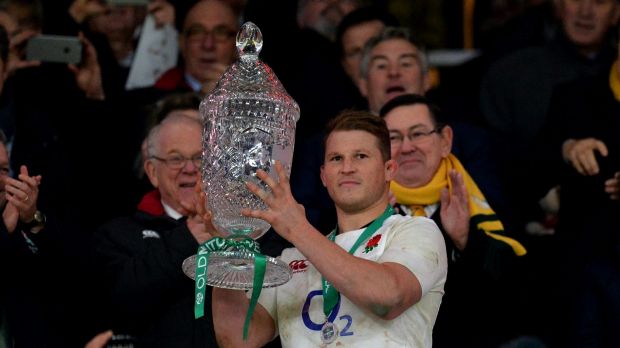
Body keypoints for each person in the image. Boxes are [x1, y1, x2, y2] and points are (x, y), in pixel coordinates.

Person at [212, 110, 448, 347]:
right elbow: (238, 339)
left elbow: (389, 297)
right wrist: (225, 247)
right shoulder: (291, 259)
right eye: (336, 158)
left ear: (389, 170)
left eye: (361, 156)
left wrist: (297, 228)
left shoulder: (416, 231)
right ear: (324, 176)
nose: (347, 168)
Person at [379, 93, 527, 347]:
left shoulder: (477, 197)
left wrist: (465, 239)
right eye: (393, 138)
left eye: (417, 134)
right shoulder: (363, 204)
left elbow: (517, 292)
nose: (406, 147)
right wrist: (374, 230)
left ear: (445, 140)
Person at [92, 114, 218, 347]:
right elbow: (122, 298)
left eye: (200, 158)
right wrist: (187, 238)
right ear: (152, 171)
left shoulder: (242, 229)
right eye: (176, 159)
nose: (190, 168)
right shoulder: (117, 235)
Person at [153, 0, 239, 95]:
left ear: (237, 45)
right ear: (181, 42)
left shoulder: (254, 98)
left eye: (221, 33)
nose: (208, 45)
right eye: (196, 32)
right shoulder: (152, 97)